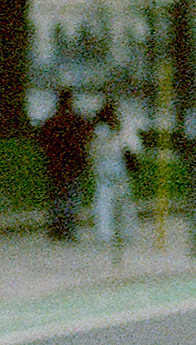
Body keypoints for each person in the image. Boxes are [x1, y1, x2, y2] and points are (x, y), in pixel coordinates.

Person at [34, 89, 93, 241]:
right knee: (71, 196)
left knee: (56, 196)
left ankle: (55, 227)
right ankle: (68, 228)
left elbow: (42, 140)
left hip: (55, 164)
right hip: (73, 164)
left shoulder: (52, 120)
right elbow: (85, 139)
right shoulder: (78, 120)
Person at [86, 101, 136, 257]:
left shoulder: (99, 129)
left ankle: (104, 233)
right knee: (124, 199)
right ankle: (126, 231)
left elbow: (94, 149)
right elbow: (130, 146)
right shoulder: (120, 128)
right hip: (118, 164)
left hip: (103, 165)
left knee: (103, 200)